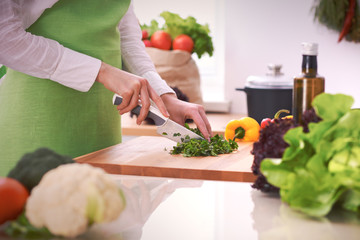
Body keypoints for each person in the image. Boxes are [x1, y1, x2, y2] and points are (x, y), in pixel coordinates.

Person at [0, 0, 212, 176]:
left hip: (101, 124)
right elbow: (5, 39)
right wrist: (102, 71)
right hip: (37, 118)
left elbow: (127, 40)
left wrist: (164, 96)